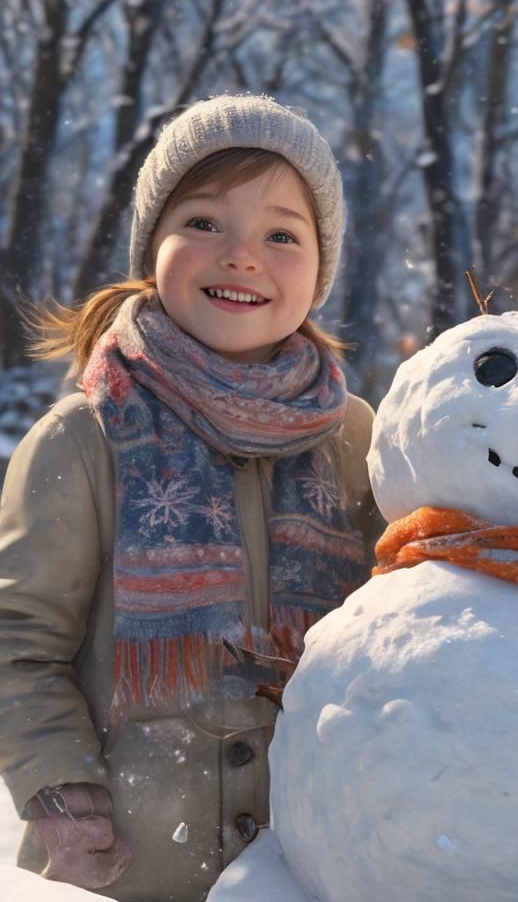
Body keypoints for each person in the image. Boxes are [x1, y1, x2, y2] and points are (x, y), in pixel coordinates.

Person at [0, 94, 382, 901]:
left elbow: (407, 619)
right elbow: (16, 643)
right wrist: (62, 793)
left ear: (320, 271)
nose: (241, 256)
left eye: (282, 235)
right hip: (127, 870)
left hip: (314, 866)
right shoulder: (86, 437)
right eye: (204, 222)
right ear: (153, 247)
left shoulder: (355, 439)